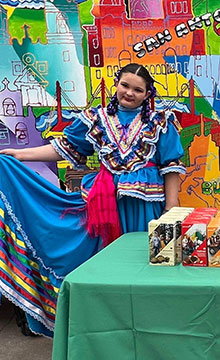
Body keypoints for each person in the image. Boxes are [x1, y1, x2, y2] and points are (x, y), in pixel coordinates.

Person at [0, 63, 185, 337]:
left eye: (138, 89)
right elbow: (63, 148)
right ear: (116, 84)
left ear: (148, 94)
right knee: (106, 266)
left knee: (147, 265)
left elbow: (171, 166)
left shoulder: (160, 122)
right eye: (125, 85)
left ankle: (148, 329)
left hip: (147, 207)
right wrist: (22, 155)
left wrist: (171, 208)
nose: (129, 93)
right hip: (103, 208)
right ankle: (110, 330)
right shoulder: (95, 118)